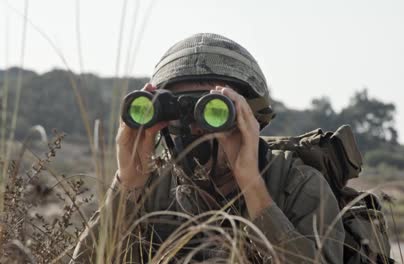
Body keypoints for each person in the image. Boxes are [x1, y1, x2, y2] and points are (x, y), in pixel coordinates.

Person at [72, 33, 345, 263]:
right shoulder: (153, 190)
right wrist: (127, 186)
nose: (196, 128)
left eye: (215, 110)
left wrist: (254, 189)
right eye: (180, 110)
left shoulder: (297, 184)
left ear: (252, 119)